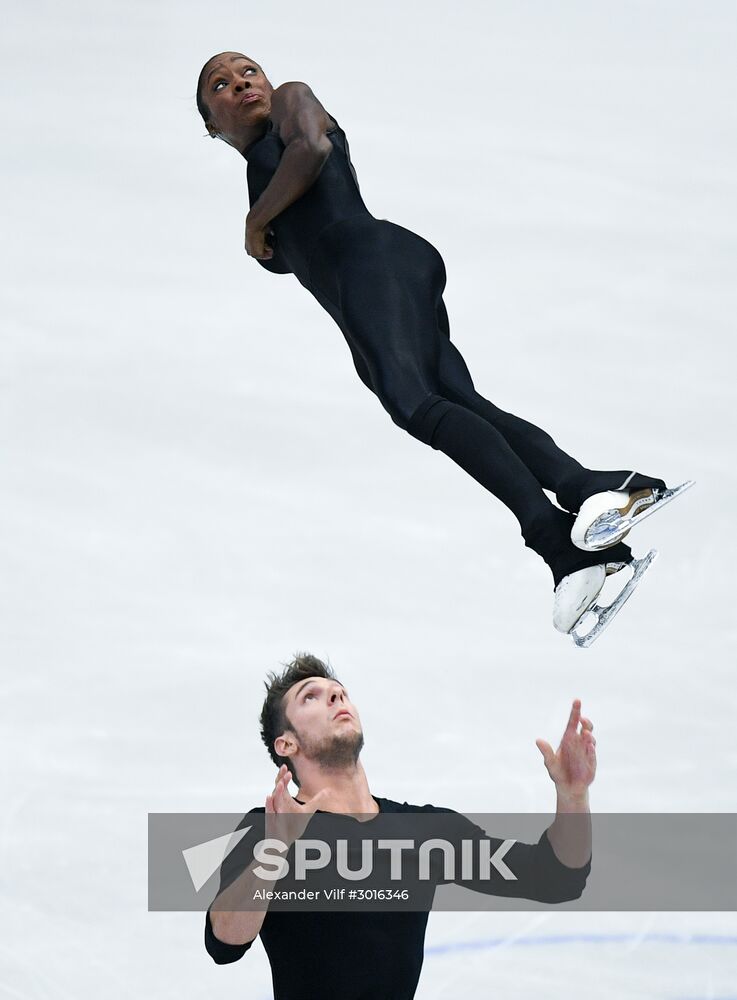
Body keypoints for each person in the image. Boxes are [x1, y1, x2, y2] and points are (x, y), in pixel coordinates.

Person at [195, 52, 692, 644]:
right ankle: (593, 486)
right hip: (374, 283)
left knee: (417, 405)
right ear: (211, 125)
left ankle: (559, 545)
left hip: (373, 264)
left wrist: (255, 222)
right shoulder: (259, 172)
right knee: (460, 403)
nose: (241, 84)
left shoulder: (294, 102)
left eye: (248, 71)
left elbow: (313, 150)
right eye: (220, 86)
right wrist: (265, 223)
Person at [205, 654, 595, 999]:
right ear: (285, 744)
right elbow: (225, 941)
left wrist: (573, 797)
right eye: (311, 696)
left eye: (339, 691)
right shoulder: (269, 829)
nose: (336, 697)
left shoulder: (423, 832)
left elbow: (556, 877)